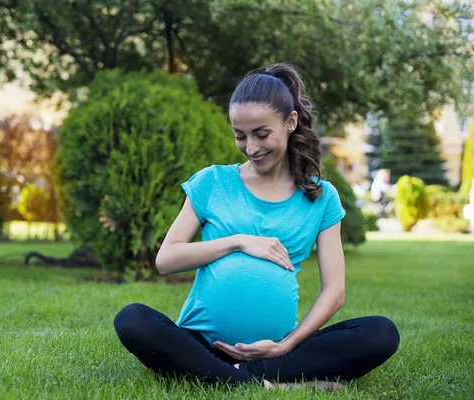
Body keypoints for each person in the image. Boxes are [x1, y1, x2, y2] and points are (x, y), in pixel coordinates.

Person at [113, 63, 400, 390]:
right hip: (202, 345)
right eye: (240, 135)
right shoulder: (213, 182)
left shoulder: (321, 197)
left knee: (381, 332)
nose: (251, 147)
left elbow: (334, 292)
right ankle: (267, 384)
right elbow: (166, 260)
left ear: (290, 122)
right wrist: (237, 242)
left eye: (262, 134)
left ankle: (233, 377)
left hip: (276, 351)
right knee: (133, 319)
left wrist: (286, 345)